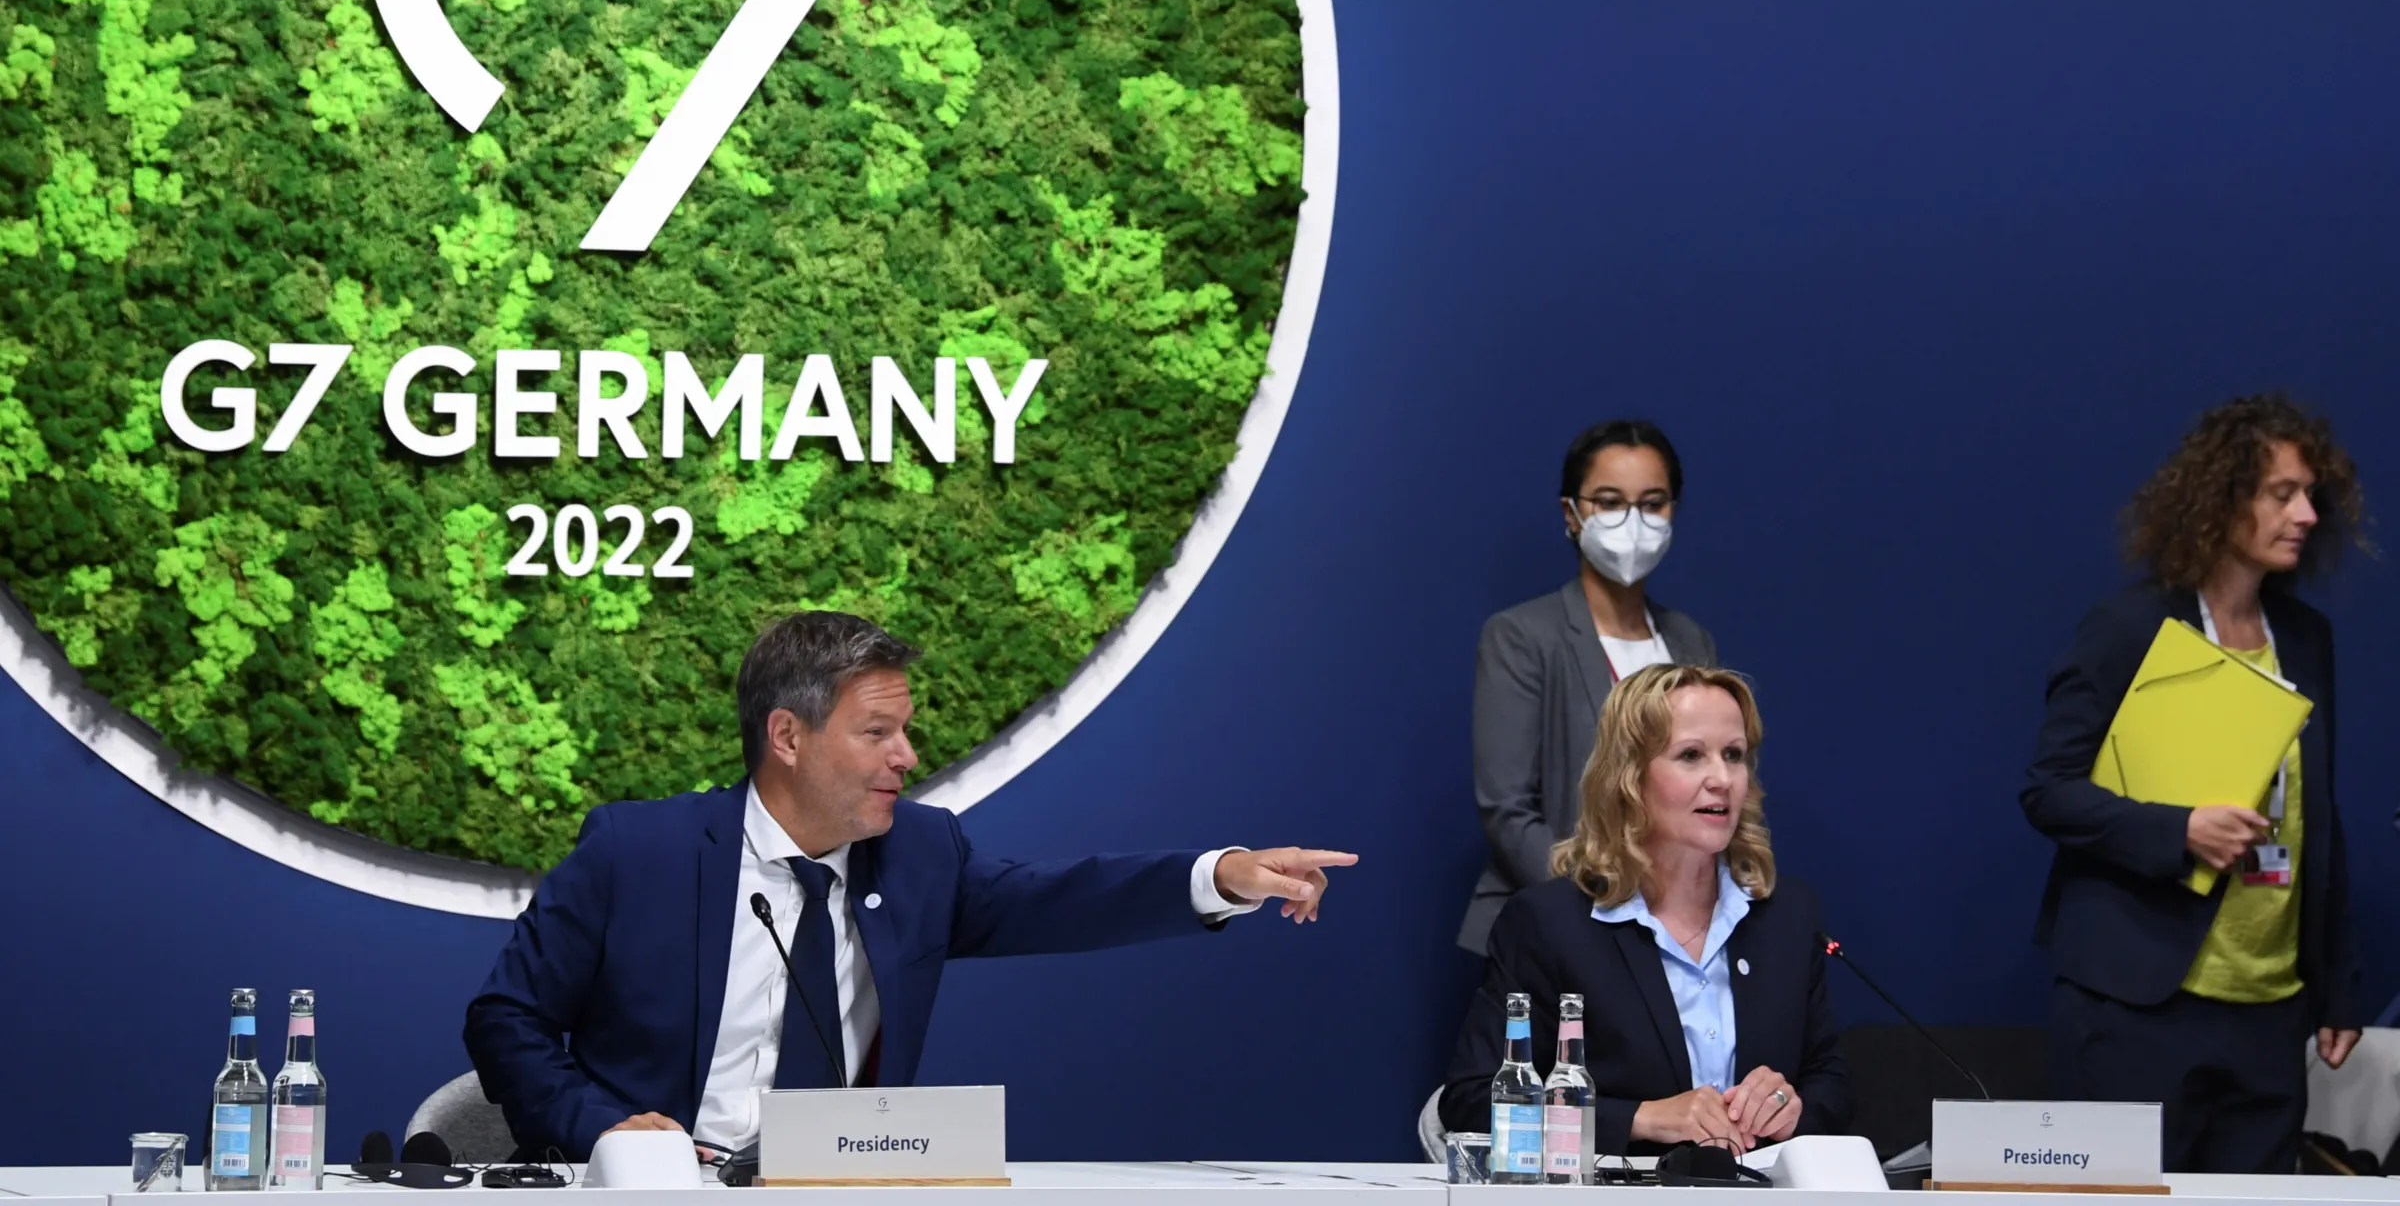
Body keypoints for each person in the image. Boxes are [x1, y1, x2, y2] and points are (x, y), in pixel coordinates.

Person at [465, 611, 1356, 1160]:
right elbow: (506, 1018)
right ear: (787, 736)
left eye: (907, 730)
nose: (908, 757)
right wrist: (605, 1131)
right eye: (878, 731)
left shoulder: (922, 853)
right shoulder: (639, 850)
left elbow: (1064, 897)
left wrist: (1221, 876)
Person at [2022, 394, 2366, 1174]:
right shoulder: (2129, 626)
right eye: (2283, 493)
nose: (2308, 513)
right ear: (2221, 498)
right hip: (2141, 1001)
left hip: (2271, 1008)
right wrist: (2177, 831)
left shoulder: (2308, 639)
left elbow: (2321, 817)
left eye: (2313, 494)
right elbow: (2048, 788)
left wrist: (2337, 983)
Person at [1441, 664, 1850, 1156]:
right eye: (1692, 756)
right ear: (1630, 776)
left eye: (1734, 755)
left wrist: (1791, 1107)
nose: (1721, 778)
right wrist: (1644, 1118)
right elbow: (1472, 1099)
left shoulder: (1787, 916)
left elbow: (1833, 1083)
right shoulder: (1549, 926)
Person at [1461, 419, 1720, 953]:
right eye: (1609, 501)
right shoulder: (1521, 636)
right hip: (1557, 932)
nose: (1633, 522)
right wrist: (1607, 903)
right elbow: (1507, 810)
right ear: (1572, 515)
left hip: (1679, 935)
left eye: (1652, 504)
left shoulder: (1691, 642)